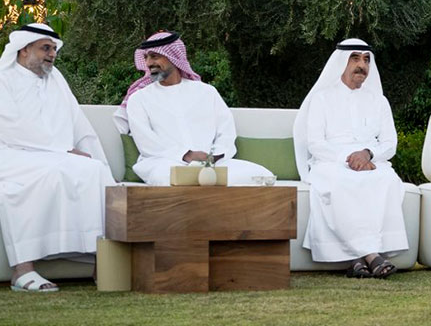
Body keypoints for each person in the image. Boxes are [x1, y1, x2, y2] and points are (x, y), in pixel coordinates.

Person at [0, 23, 113, 293]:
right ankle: (22, 270)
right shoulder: (4, 78)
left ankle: (102, 263)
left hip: (55, 153)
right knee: (39, 177)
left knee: (93, 171)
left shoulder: (56, 79)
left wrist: (91, 155)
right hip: (12, 153)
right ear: (24, 49)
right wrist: (60, 150)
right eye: (45, 48)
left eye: (54, 49)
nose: (52, 54)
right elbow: (11, 125)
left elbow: (77, 121)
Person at [293, 38, 408, 279]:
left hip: (371, 162)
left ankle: (356, 260)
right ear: (341, 63)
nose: (361, 65)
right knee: (339, 182)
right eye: (355, 59)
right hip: (330, 162)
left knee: (385, 179)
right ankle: (372, 257)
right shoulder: (322, 98)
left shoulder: (379, 100)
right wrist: (349, 158)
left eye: (366, 60)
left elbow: (390, 143)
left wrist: (367, 154)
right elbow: (315, 143)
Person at [117, 31, 274, 185]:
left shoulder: (206, 92)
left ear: (174, 57)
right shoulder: (139, 98)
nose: (149, 63)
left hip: (212, 163)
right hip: (163, 163)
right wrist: (187, 155)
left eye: (154, 56)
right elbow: (147, 142)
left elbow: (226, 131)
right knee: (175, 179)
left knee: (261, 176)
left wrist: (213, 157)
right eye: (146, 57)